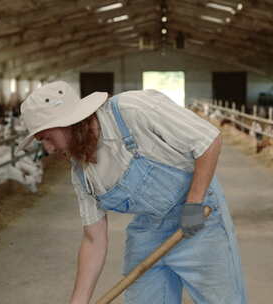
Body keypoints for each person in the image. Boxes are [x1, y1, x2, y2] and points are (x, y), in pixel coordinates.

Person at [17, 81, 247, 304]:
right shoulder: (82, 173)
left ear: (68, 122)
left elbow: (208, 140)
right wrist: (79, 301)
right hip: (150, 227)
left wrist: (194, 203)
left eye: (47, 138)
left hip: (198, 216)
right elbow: (93, 239)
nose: (48, 148)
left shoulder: (131, 110)